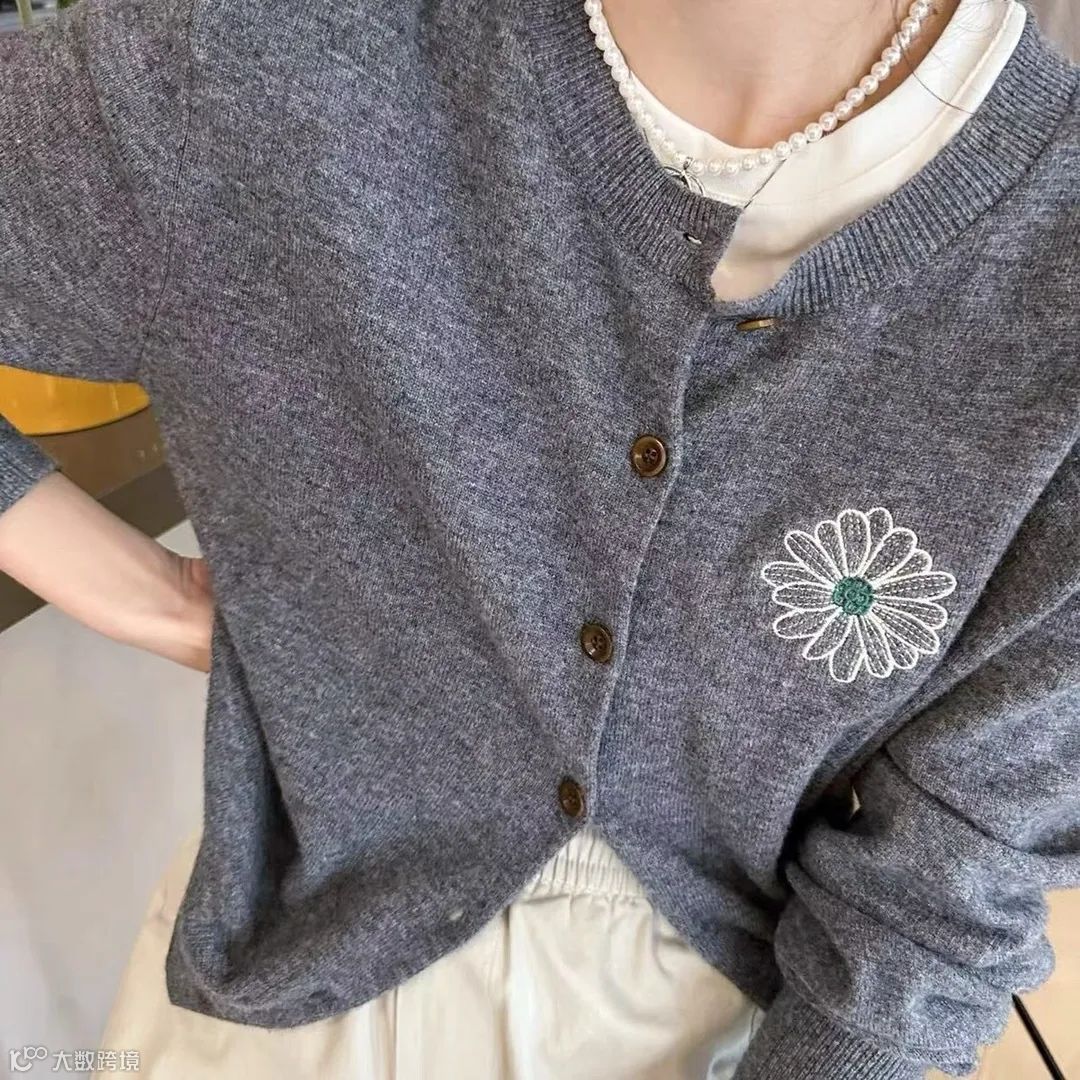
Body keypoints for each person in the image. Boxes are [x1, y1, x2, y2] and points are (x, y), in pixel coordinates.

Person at [1, 0, 1077, 1077]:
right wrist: (149, 596)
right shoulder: (260, 63)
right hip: (287, 991)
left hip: (743, 1030)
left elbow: (935, 898)